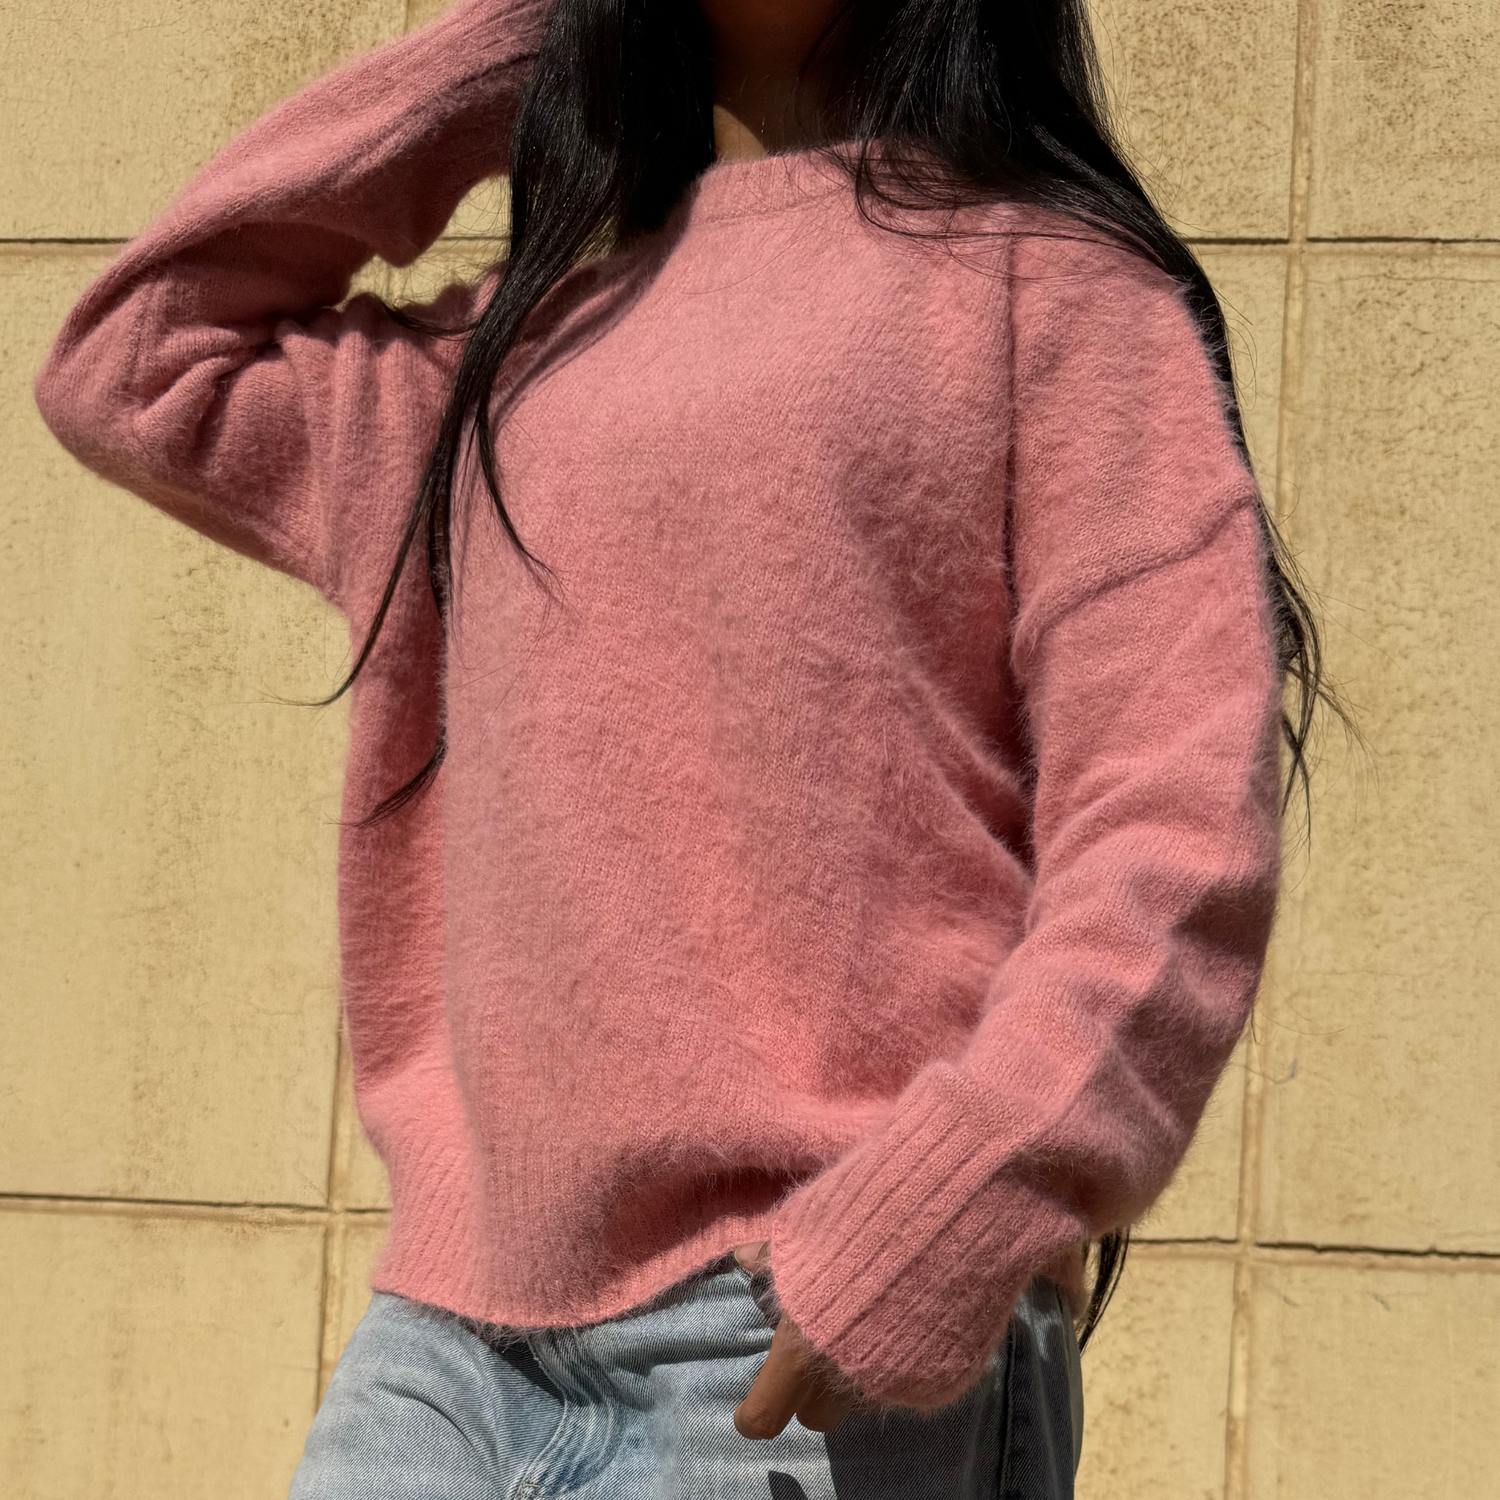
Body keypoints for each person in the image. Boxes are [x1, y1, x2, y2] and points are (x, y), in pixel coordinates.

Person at [33, 0, 1330, 1491]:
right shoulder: (506, 355)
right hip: (446, 1339)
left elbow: (1175, 827)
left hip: (800, 1320)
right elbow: (137, 359)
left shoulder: (1049, 294)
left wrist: (959, 1202)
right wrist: (536, 44)